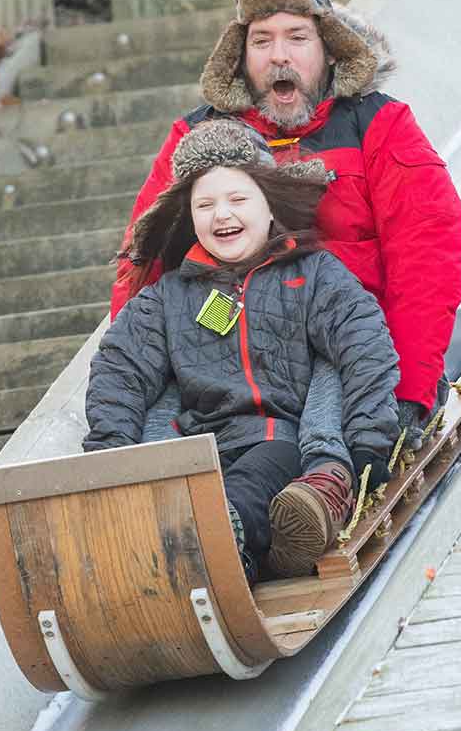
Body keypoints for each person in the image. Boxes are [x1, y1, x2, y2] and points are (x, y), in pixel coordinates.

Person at [111, 0, 461, 455]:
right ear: (240, 54)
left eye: (297, 37)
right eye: (261, 41)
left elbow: (427, 254)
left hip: (342, 351)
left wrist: (407, 389)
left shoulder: (378, 125)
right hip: (222, 359)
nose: (279, 56)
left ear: (327, 48)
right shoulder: (196, 138)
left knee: (327, 437)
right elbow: (143, 260)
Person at [84, 120, 400, 583]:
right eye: (205, 205)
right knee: (189, 485)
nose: (221, 215)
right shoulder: (169, 297)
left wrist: (371, 434)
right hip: (201, 443)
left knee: (251, 481)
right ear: (190, 219)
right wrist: (111, 455)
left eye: (237, 199)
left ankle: (220, 532)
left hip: (278, 438)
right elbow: (120, 368)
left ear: (269, 206)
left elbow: (363, 341)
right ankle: (238, 565)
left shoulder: (311, 274)